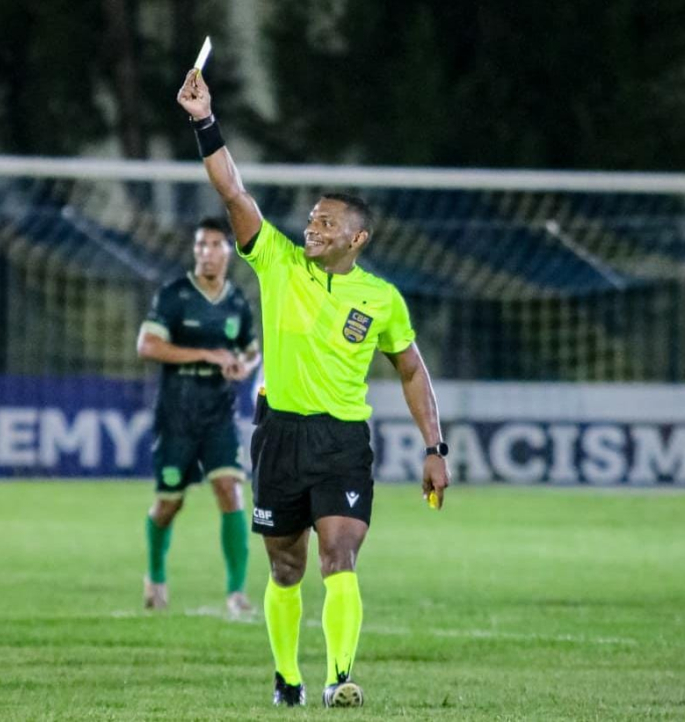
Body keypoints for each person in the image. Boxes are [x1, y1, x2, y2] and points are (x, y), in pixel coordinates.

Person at [176, 71, 452, 708]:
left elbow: (412, 370)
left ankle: (339, 678)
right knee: (284, 567)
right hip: (279, 432)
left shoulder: (381, 298)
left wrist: (436, 447)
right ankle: (287, 679)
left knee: (340, 553)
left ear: (357, 238)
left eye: (326, 222)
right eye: (311, 218)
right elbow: (234, 190)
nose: (312, 227)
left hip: (341, 439)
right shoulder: (275, 259)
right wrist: (204, 121)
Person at [137, 217, 261, 617]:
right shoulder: (174, 295)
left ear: (228, 251)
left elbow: (251, 350)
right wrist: (206, 354)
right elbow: (148, 345)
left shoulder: (237, 301)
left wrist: (242, 364)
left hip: (218, 411)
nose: (206, 253)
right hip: (177, 413)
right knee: (169, 504)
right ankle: (155, 577)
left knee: (231, 490)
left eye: (214, 245)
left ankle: (237, 593)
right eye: (200, 245)